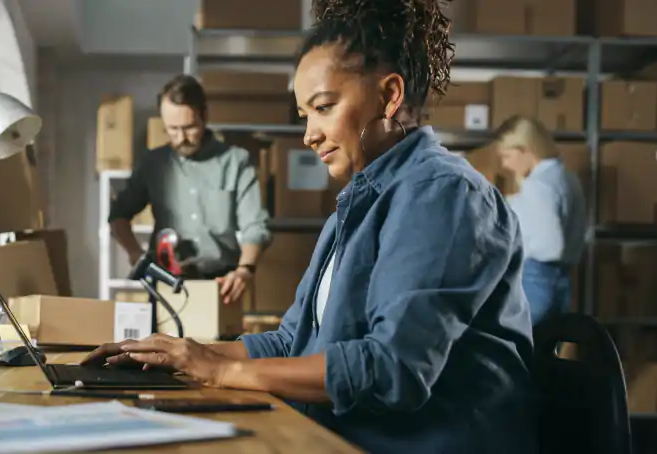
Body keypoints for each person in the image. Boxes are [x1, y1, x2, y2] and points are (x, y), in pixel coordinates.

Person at [85, 0, 538, 452]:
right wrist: (183, 352)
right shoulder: (359, 201)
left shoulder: (442, 194)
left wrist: (221, 370)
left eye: (323, 107)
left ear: (389, 96)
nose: (309, 135)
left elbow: (392, 368)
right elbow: (292, 341)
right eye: (305, 116)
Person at [108, 75, 271, 304]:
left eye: (189, 128)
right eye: (172, 129)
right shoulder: (153, 164)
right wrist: (135, 253)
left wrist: (245, 269)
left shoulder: (236, 162)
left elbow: (255, 225)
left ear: (204, 115)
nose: (181, 138)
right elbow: (118, 215)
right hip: (165, 284)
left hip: (220, 286)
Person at [495, 116, 586, 326]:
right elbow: (576, 236)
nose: (505, 165)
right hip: (562, 280)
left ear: (526, 150)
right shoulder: (569, 179)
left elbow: (550, 245)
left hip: (534, 277)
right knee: (547, 341)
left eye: (507, 156)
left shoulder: (537, 186)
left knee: (514, 340)